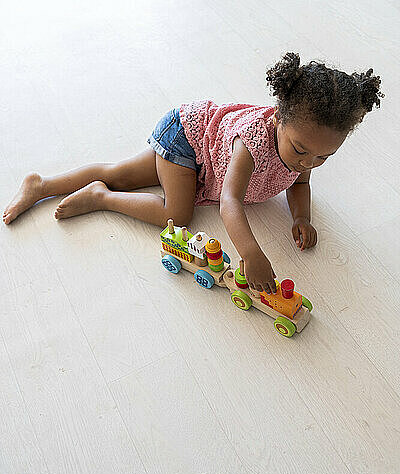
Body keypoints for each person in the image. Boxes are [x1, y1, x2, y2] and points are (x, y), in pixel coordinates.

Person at [2, 51, 384, 295]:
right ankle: (98, 196)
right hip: (188, 139)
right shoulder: (251, 143)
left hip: (202, 148)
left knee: (123, 171)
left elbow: (300, 182)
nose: (308, 162)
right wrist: (250, 253)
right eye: (300, 150)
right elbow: (230, 200)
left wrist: (300, 215)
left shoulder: (306, 155)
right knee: (174, 214)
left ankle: (42, 185)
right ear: (279, 118)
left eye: (324, 157)